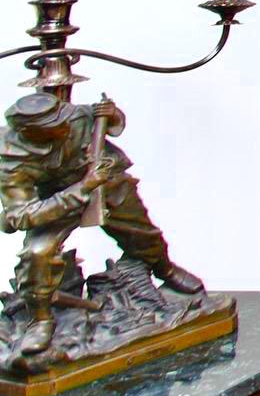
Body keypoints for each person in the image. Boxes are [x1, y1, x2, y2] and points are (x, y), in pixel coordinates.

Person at [1, 92, 201, 356]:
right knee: (37, 254)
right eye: (55, 125)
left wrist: (112, 114)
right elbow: (22, 216)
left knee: (142, 232)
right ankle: (40, 320)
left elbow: (113, 123)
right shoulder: (9, 156)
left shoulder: (74, 116)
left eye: (63, 117)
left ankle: (164, 268)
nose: (66, 125)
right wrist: (83, 187)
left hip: (104, 182)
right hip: (55, 202)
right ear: (31, 133)